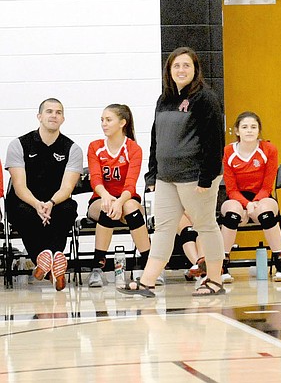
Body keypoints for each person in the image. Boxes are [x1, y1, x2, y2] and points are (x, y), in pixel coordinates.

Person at [118, 46, 226, 297]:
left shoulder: (204, 98)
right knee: (164, 228)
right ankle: (147, 282)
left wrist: (206, 178)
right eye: (176, 66)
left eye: (186, 65)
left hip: (195, 177)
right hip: (167, 177)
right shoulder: (164, 99)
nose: (181, 70)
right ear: (169, 70)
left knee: (206, 225)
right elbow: (157, 138)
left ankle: (215, 280)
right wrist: (153, 173)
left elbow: (214, 141)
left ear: (195, 69)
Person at [4, 98, 83, 291]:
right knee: (24, 212)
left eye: (58, 112)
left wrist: (50, 203)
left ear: (63, 118)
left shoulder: (73, 149)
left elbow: (67, 188)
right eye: (49, 111)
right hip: (26, 201)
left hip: (56, 201)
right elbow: (20, 186)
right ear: (39, 116)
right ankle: (54, 259)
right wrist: (38, 204)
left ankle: (44, 261)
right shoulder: (19, 145)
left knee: (67, 209)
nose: (53, 115)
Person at [220, 111, 281, 283]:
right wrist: (247, 204)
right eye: (244, 127)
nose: (249, 131)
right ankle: (222, 265)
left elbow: (267, 185)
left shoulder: (269, 149)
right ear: (237, 131)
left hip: (262, 196)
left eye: (253, 127)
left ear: (259, 131)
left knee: (266, 212)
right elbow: (231, 189)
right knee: (231, 214)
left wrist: (255, 203)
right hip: (237, 198)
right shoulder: (228, 151)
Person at [85, 104, 151, 288]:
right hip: (100, 199)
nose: (103, 124)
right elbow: (95, 179)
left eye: (108, 120)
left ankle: (149, 265)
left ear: (122, 122)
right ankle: (97, 267)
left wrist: (120, 201)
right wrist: (107, 197)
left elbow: (131, 183)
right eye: (102, 120)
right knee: (107, 208)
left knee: (130, 208)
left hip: (127, 198)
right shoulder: (95, 147)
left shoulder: (133, 149)